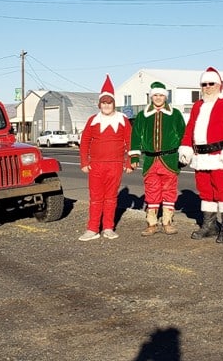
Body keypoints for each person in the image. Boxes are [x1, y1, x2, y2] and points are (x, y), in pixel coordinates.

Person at [178, 67, 223, 243]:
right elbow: (189, 128)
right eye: (204, 84)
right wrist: (186, 148)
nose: (207, 87)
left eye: (211, 83)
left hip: (219, 156)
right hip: (200, 157)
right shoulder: (198, 105)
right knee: (205, 191)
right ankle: (210, 226)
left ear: (219, 85)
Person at [78, 74, 133, 241]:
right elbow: (84, 141)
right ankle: (92, 228)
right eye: (104, 102)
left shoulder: (123, 120)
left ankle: (108, 227)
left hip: (115, 165)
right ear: (99, 104)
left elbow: (131, 142)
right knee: (95, 198)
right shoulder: (93, 120)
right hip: (96, 165)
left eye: (109, 102)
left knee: (111, 197)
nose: (107, 105)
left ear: (113, 104)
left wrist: (130, 162)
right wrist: (84, 162)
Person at [129, 81, 187, 236]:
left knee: (169, 191)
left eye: (161, 95)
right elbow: (135, 136)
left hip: (170, 159)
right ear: (151, 96)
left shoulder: (175, 114)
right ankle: (151, 223)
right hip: (150, 160)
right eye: (155, 95)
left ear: (165, 97)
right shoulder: (142, 116)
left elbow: (184, 134)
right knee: (151, 190)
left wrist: (184, 153)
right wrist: (134, 156)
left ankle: (167, 222)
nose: (158, 98)